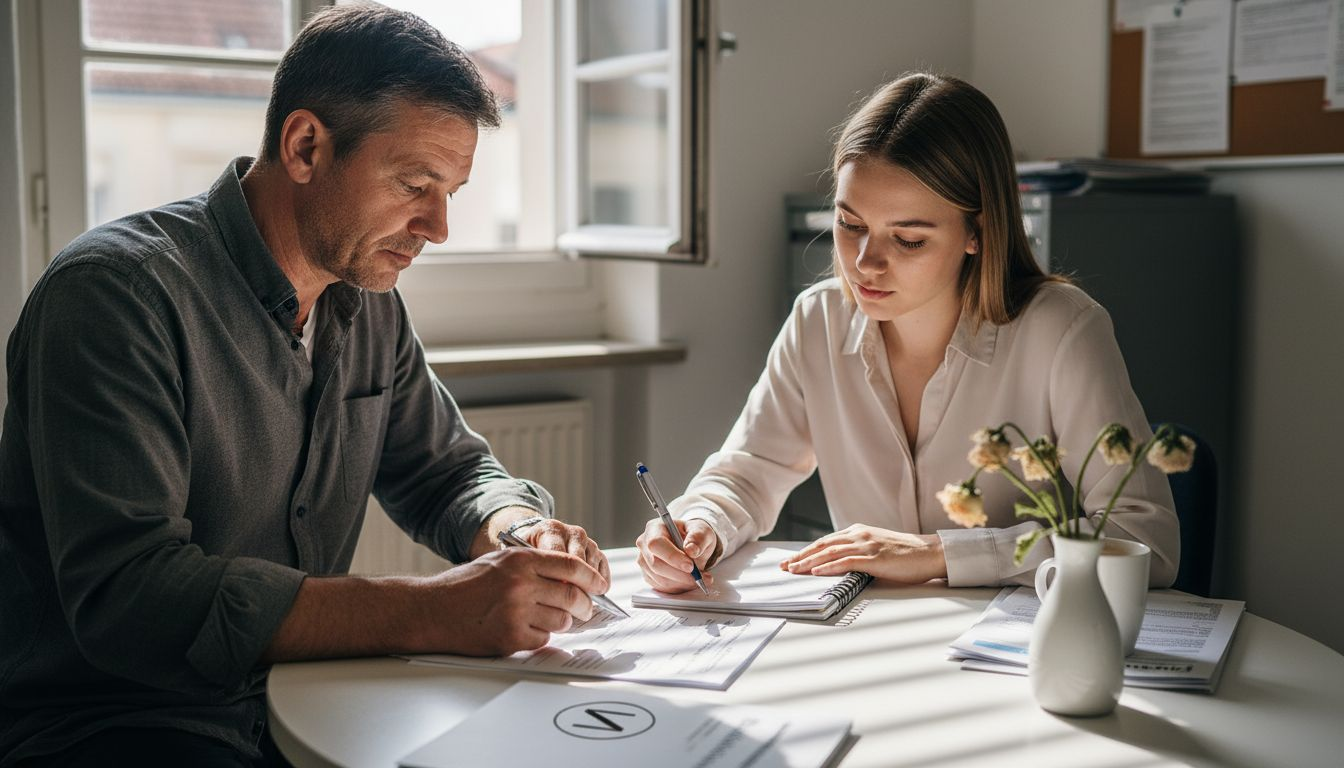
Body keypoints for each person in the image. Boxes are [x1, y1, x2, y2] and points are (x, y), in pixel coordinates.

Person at [0, 5, 609, 766]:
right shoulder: (116, 295)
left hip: (304, 697)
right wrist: (440, 611)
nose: (439, 226)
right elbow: (134, 599)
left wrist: (516, 528)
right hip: (114, 725)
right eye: (416, 184)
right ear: (305, 146)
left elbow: (446, 471)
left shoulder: (368, 304)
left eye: (451, 189)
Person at [635, 72, 1179, 594]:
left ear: (977, 231)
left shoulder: (1063, 330)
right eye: (850, 226)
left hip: (1020, 652)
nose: (865, 263)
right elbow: (749, 474)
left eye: (908, 240)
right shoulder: (818, 320)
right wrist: (698, 523)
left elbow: (1143, 539)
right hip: (873, 634)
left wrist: (938, 553)